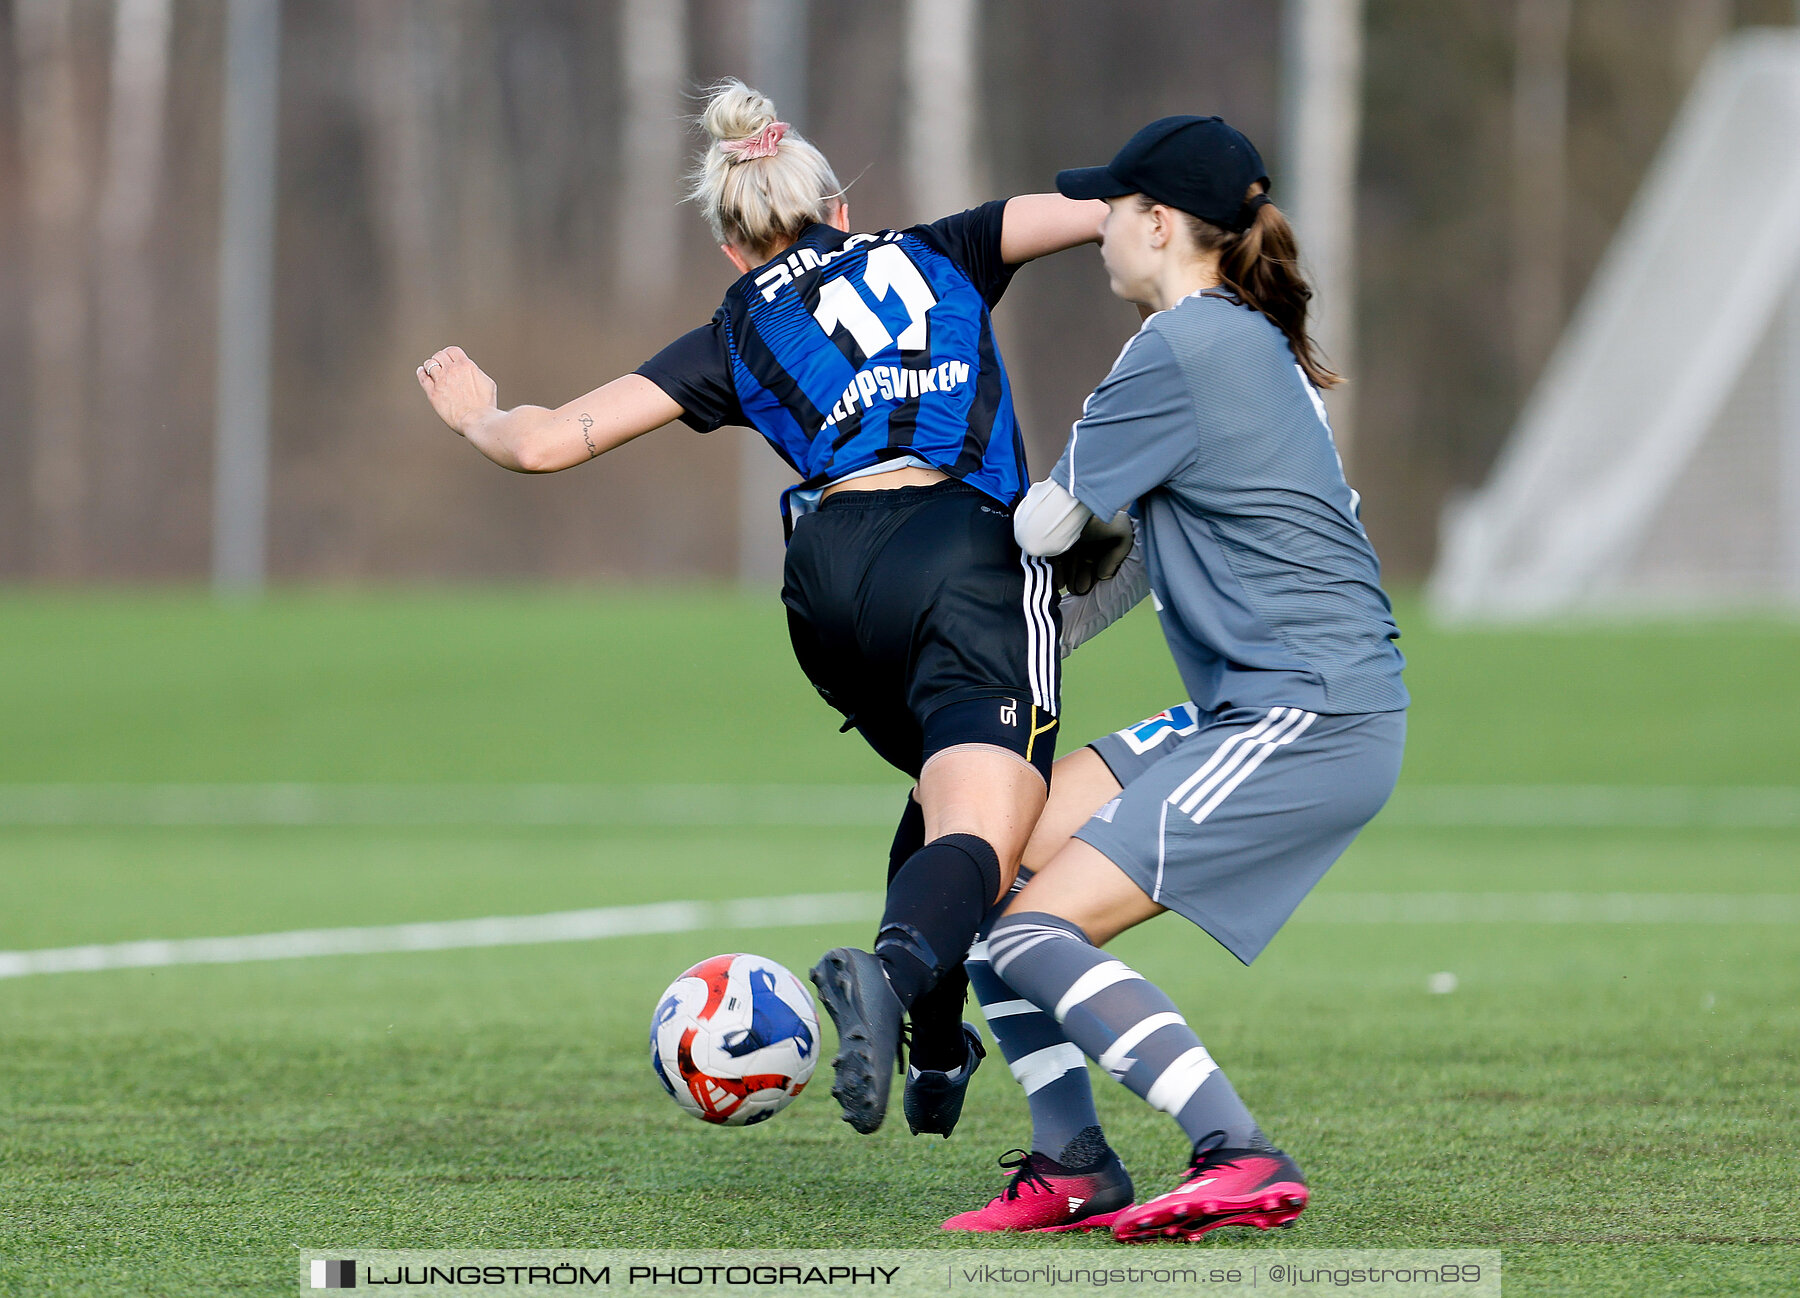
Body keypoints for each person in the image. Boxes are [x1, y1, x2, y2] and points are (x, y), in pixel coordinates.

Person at [415, 80, 1116, 1138]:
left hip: (826, 585)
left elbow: (547, 441)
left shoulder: (736, 326)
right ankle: (894, 982)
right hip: (961, 548)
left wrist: (479, 417)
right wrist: (1180, 189)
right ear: (840, 208)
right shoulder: (947, 246)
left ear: (733, 250)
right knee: (987, 823)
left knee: (947, 788)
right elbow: (1112, 211)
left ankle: (934, 1049)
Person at [939, 116, 1409, 1241]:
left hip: (1308, 713)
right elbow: (1120, 570)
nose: (1096, 221)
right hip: (1260, 708)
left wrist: (901, 545)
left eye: (1111, 205)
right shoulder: (1229, 340)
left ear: (1158, 225)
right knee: (987, 875)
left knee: (1027, 934)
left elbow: (1048, 529)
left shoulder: (1181, 348)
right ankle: (1071, 1161)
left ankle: (1236, 1150)